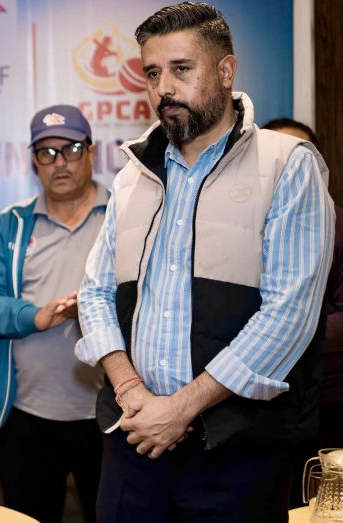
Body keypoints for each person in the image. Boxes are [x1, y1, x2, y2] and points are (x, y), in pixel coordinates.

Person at [75, 3, 335, 521]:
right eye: (153, 73)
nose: (164, 88)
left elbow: (289, 316)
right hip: (134, 438)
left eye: (181, 69)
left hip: (235, 450)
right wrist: (129, 388)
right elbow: (95, 293)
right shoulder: (132, 175)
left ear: (226, 70)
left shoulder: (287, 165)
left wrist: (180, 408)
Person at [0, 104, 106, 522]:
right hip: (27, 416)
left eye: (71, 149)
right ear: (33, 161)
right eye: (46, 152)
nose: (59, 162)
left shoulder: (125, 217)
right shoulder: (12, 224)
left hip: (110, 415)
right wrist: (33, 316)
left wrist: (96, 310)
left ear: (92, 153)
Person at [262, 118, 343, 507]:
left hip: (329, 401)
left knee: (323, 505)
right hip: (260, 404)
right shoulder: (245, 230)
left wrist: (280, 334)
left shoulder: (338, 226)